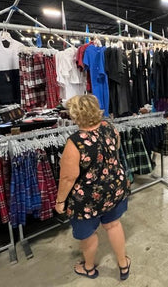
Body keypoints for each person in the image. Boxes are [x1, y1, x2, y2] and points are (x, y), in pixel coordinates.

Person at [55, 95, 131, 280]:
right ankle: (123, 264)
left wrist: (60, 202)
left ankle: (88, 268)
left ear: (75, 115)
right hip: (114, 189)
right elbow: (115, 153)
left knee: (88, 235)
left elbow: (67, 177)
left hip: (87, 199)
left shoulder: (75, 142)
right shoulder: (110, 128)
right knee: (113, 225)